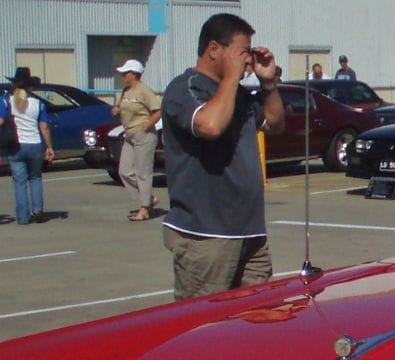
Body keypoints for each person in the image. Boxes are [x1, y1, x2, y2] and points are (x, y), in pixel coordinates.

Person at [160, 13, 284, 300]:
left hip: (250, 230)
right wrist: (230, 77)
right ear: (214, 49)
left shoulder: (238, 94)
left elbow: (275, 124)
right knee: (204, 319)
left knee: (255, 312)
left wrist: (268, 84)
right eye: (242, 52)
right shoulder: (186, 88)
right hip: (206, 235)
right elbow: (210, 126)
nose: (248, 60)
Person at [0, 66, 53, 224]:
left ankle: (23, 216)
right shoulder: (38, 103)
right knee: (35, 177)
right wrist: (49, 146)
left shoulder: (7, 101)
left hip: (16, 145)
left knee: (20, 181)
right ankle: (38, 210)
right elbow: (44, 127)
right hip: (35, 144)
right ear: (30, 87)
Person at [111, 58, 161, 222]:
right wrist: (117, 110)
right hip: (129, 135)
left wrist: (146, 126)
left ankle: (144, 208)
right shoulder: (126, 91)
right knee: (124, 171)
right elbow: (121, 108)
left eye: (126, 73)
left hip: (144, 135)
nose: (123, 75)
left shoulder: (144, 90)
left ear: (135, 74)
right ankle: (148, 198)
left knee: (143, 173)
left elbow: (157, 111)